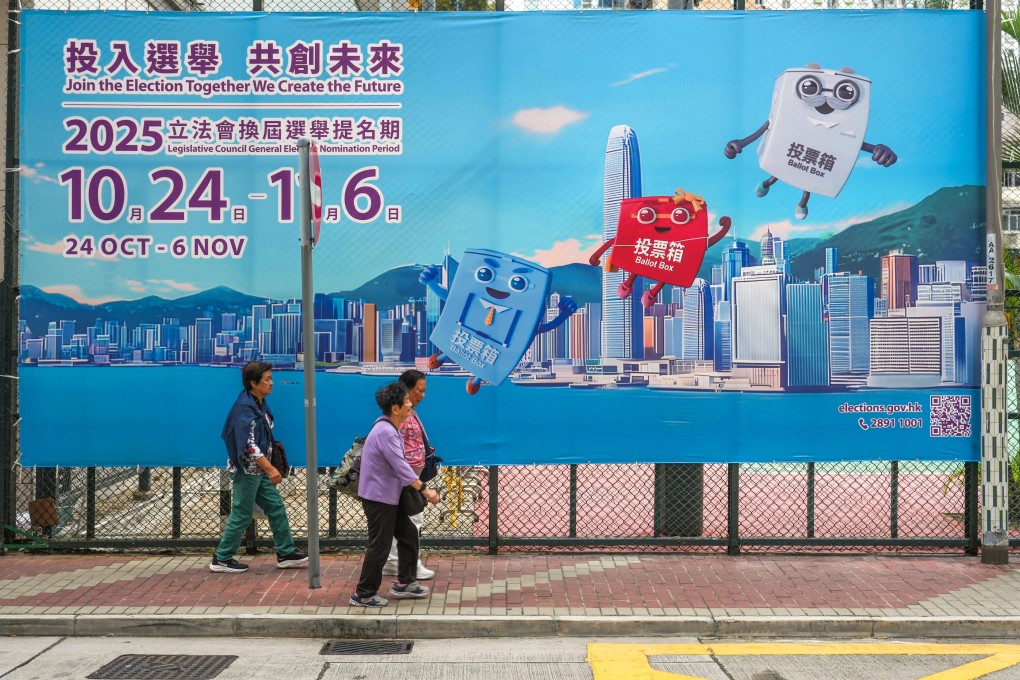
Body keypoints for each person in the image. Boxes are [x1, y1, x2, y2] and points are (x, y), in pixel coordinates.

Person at [210, 360, 308, 574]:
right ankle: (223, 557)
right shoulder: (245, 409)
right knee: (242, 514)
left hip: (259, 471)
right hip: (248, 471)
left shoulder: (257, 404)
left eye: (271, 378)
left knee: (275, 506)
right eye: (267, 379)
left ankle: (286, 552)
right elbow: (248, 445)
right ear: (254, 383)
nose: (272, 383)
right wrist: (271, 468)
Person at [350, 382, 441, 607]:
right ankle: (363, 593)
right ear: (395, 407)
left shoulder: (390, 428)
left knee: (409, 533)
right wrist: (425, 489)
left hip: (389, 494)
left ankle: (405, 582)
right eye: (407, 401)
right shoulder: (386, 432)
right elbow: (402, 468)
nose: (411, 404)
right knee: (379, 545)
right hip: (379, 497)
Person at [383, 369, 435, 581]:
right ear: (406, 389)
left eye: (424, 391)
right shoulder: (401, 415)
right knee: (414, 519)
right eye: (419, 391)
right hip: (406, 476)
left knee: (403, 519)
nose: (422, 395)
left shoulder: (410, 412)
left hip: (409, 474)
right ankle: (409, 564)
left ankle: (393, 561)